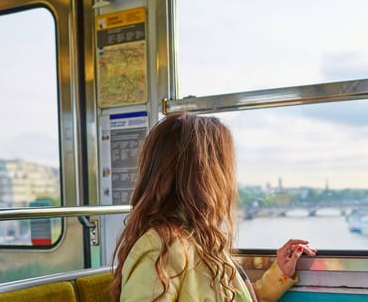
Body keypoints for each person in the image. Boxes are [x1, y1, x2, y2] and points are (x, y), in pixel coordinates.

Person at [110, 112, 316, 302]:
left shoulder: (201, 239)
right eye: (224, 169)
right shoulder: (163, 247)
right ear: (206, 177)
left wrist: (279, 273)